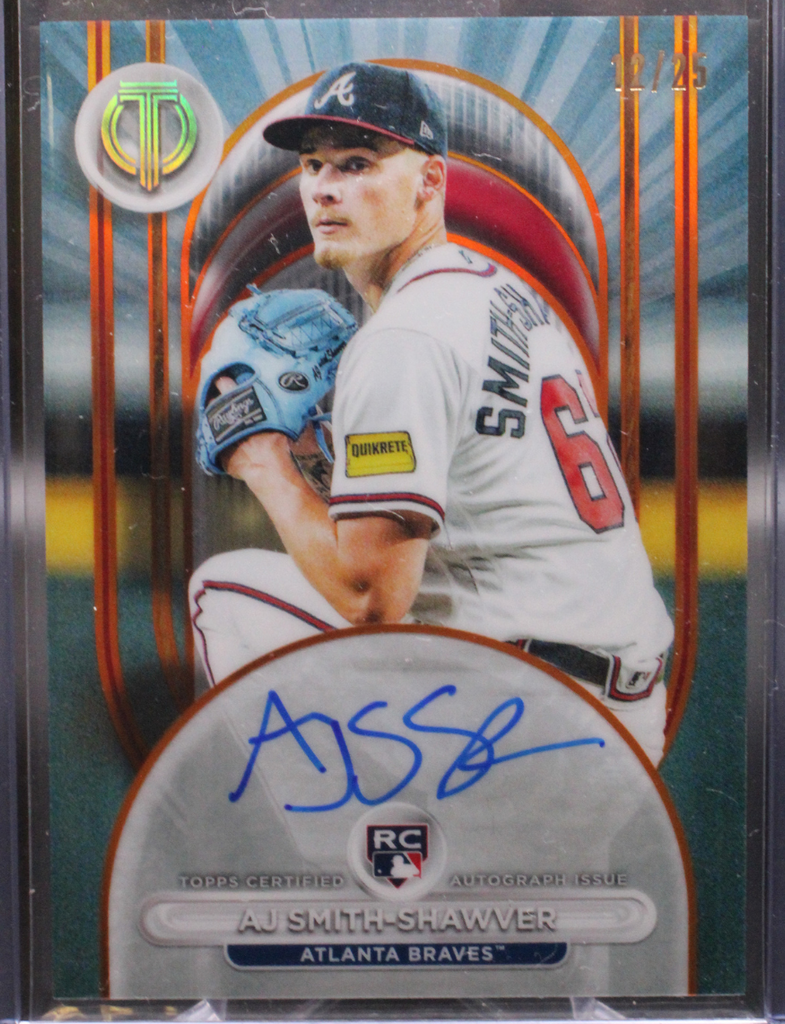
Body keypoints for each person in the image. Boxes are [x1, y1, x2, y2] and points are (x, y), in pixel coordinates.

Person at [189, 62, 673, 765]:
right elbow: (472, 490)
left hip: (526, 720)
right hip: (616, 707)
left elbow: (369, 599)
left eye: (358, 163)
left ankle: (350, 831)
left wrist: (261, 458)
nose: (324, 187)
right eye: (313, 164)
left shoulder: (403, 338)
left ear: (430, 181)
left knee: (219, 593)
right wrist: (317, 460)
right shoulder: (500, 291)